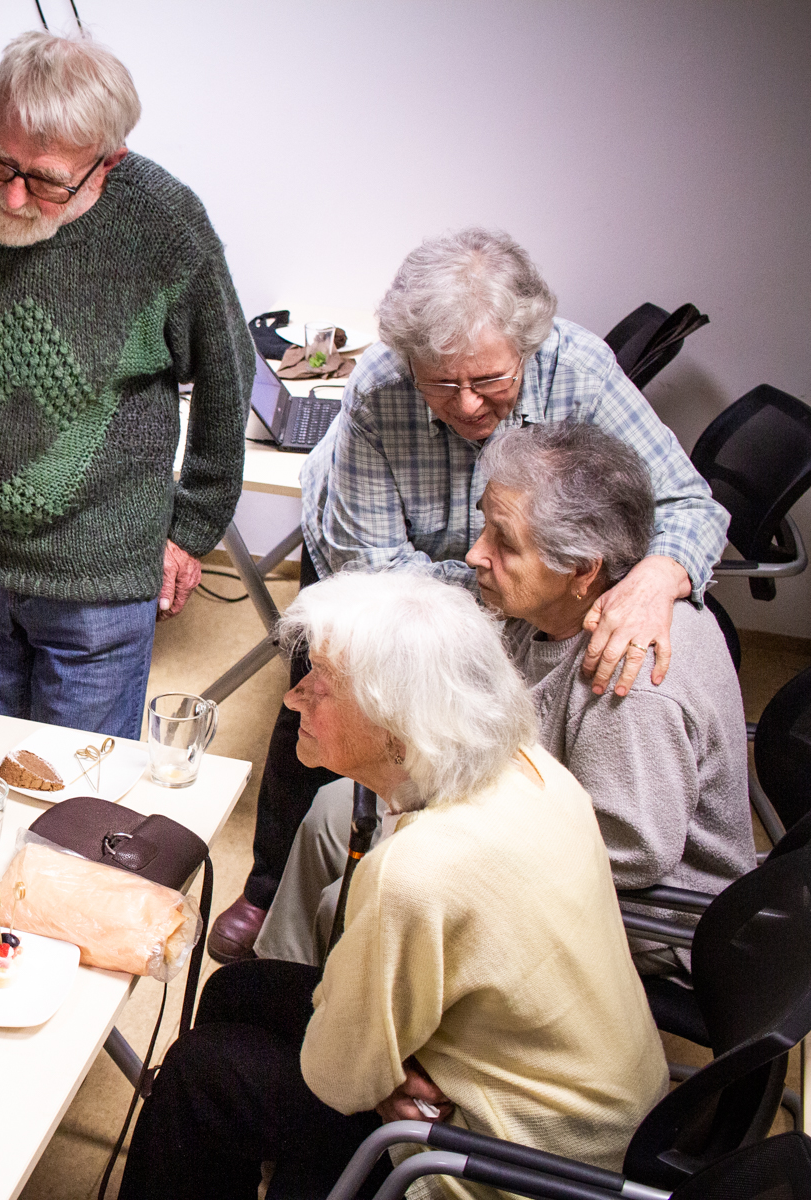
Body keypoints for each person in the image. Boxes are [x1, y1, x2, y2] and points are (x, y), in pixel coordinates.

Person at [208, 227, 729, 962]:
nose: (469, 406)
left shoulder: (577, 368)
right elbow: (381, 573)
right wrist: (515, 592)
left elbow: (690, 506)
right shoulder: (378, 389)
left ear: (527, 348)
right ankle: (271, 881)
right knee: (324, 684)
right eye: (442, 385)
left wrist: (655, 575)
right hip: (437, 585)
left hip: (530, 592)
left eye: (489, 383)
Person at [120, 569, 668, 1200]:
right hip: (597, 1102)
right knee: (239, 989)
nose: (293, 698)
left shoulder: (416, 871)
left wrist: (376, 1083)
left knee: (198, 1077)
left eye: (319, 687)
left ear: (395, 725)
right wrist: (379, 1067)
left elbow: (337, 1080)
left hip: (515, 1157)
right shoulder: (530, 767)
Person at [0, 30, 252, 739]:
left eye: (46, 179)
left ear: (108, 163)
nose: (11, 193)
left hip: (103, 578)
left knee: (74, 801)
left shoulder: (164, 224)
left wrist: (190, 529)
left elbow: (228, 375)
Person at [256, 423, 755, 974]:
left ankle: (330, 1018)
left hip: (641, 914)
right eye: (484, 527)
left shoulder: (632, 675)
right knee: (334, 808)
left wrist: (439, 833)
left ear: (582, 570)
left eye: (503, 542)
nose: (475, 553)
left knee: (357, 898)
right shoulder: (543, 606)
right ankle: (280, 982)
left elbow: (630, 852)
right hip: (530, 816)